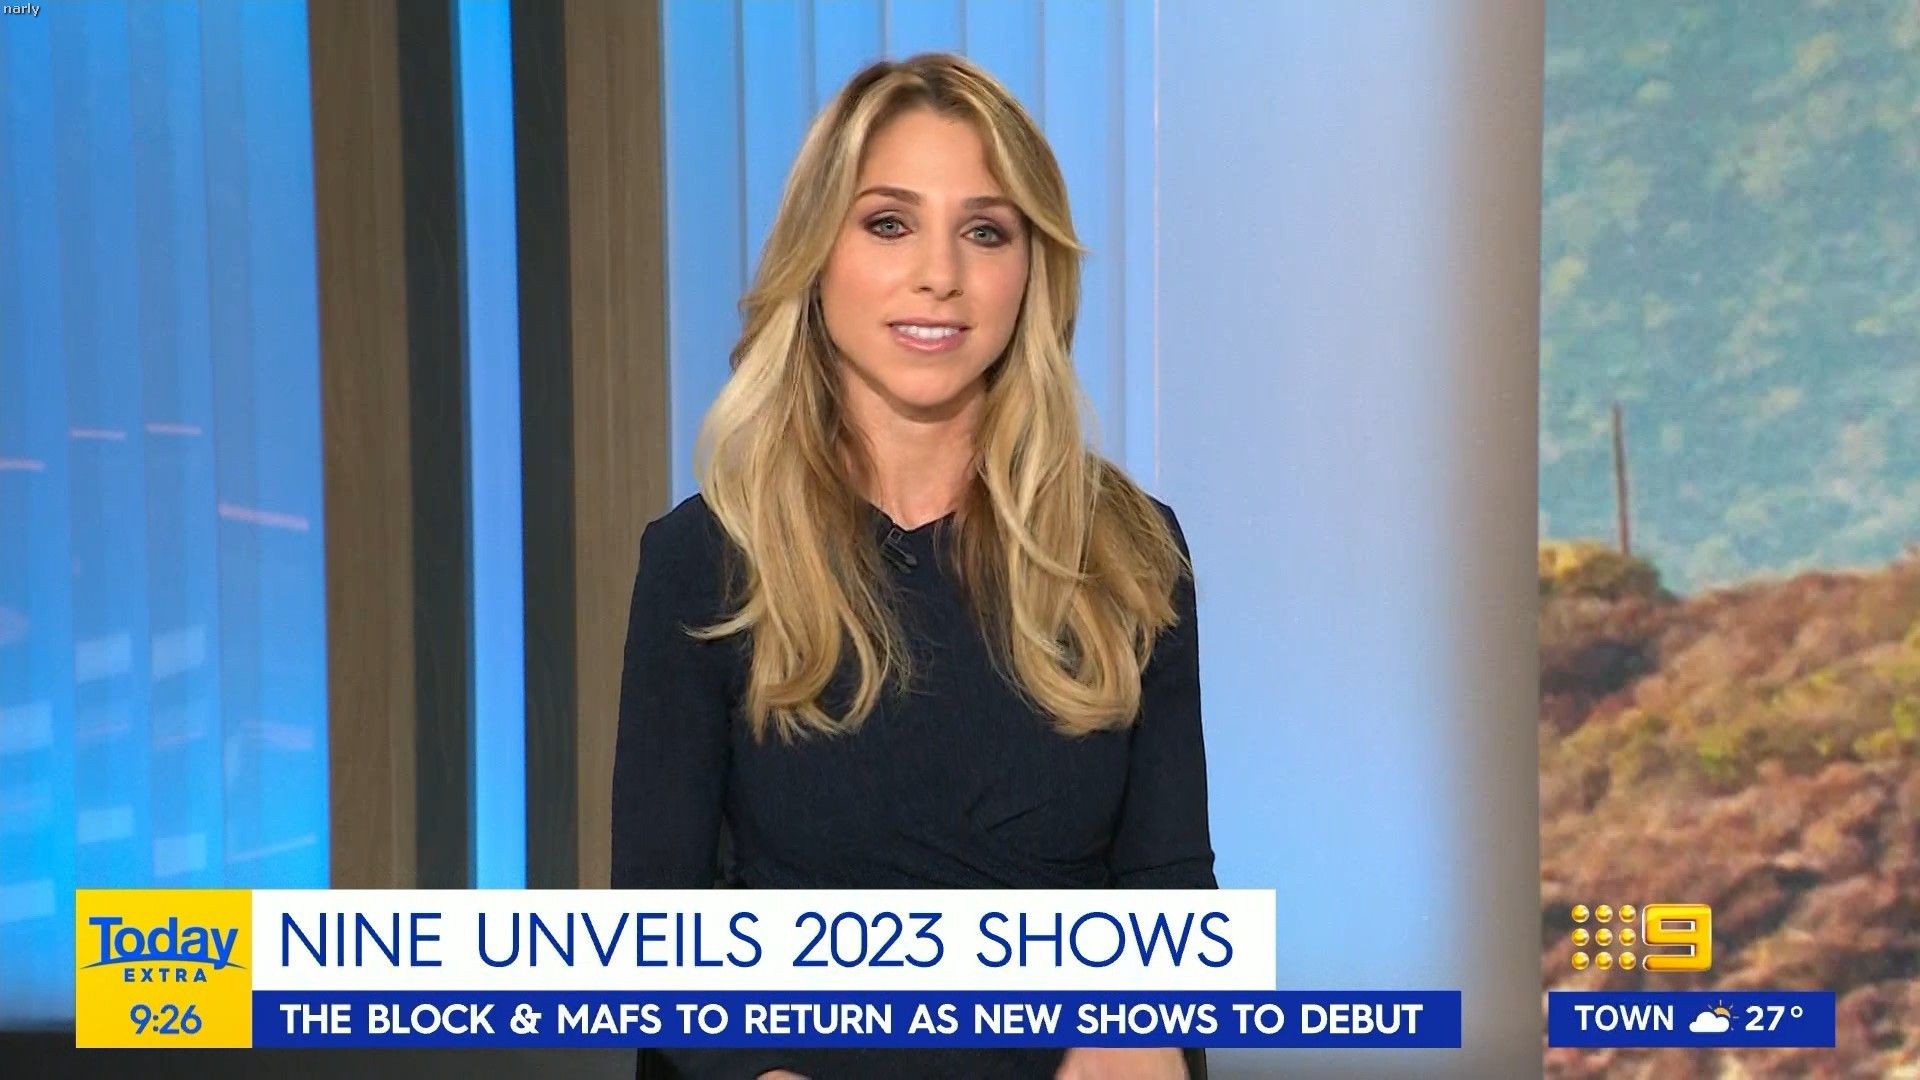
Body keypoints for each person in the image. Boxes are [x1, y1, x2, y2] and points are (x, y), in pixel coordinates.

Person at [611, 52, 1215, 1080]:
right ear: (818, 253)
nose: (940, 273)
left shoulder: (1129, 551)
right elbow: (661, 945)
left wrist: (1143, 1036)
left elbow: (1169, 897)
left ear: (1031, 271)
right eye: (890, 223)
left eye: (985, 231)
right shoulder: (704, 562)